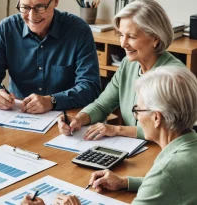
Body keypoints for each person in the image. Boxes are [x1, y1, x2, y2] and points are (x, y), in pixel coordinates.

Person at [23, 66, 197, 204]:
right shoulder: (187, 150)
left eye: (137, 109)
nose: (135, 116)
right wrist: (125, 182)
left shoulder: (166, 172)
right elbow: (173, 184)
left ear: (156, 118)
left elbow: (164, 180)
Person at [58, 0, 185, 140]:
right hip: (135, 148)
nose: (123, 44)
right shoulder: (128, 65)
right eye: (121, 35)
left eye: (131, 36)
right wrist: (79, 119)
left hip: (163, 151)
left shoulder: (174, 76)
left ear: (155, 38)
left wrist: (117, 130)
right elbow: (102, 105)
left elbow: (169, 130)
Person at [0, 0, 101, 114]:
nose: (32, 16)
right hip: (19, 115)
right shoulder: (7, 29)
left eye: (40, 7)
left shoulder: (79, 31)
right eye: (25, 7)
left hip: (66, 118)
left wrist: (52, 101)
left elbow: (90, 87)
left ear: (55, 2)